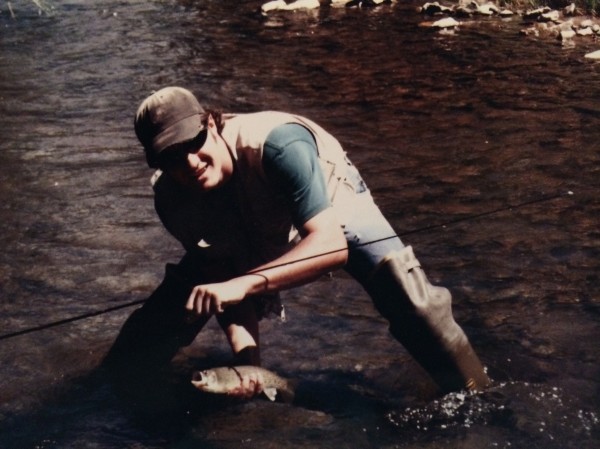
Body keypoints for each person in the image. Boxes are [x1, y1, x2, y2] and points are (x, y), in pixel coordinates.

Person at [104, 86, 490, 400]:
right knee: (143, 341)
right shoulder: (172, 200)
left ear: (212, 123)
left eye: (195, 141)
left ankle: (481, 397)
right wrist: (248, 366)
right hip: (247, 234)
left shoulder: (279, 145)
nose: (189, 162)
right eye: (171, 157)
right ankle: (110, 399)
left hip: (331, 210)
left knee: (415, 304)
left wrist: (243, 283)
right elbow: (223, 279)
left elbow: (331, 245)